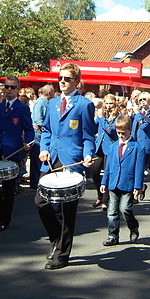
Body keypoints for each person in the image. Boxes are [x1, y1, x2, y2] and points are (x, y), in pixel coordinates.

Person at [35, 63, 96, 270]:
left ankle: (62, 254)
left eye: (67, 78)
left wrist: (88, 155)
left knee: (67, 210)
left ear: (76, 82)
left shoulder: (84, 104)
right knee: (40, 202)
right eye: (60, 78)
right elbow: (46, 131)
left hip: (72, 160)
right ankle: (55, 238)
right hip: (52, 160)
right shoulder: (52, 104)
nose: (62, 81)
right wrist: (44, 148)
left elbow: (88, 136)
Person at [0, 76, 34, 232]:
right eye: (7, 87)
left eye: (12, 87)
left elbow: (29, 129)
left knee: (8, 188)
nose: (9, 90)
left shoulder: (22, 108)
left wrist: (28, 143)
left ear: (18, 89)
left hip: (13, 150)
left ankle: (4, 219)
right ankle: (1, 211)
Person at [100, 115, 144, 246]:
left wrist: (138, 187)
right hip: (114, 183)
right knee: (112, 212)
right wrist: (104, 182)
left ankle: (133, 227)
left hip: (128, 183)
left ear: (130, 130)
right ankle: (112, 235)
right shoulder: (113, 147)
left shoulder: (137, 147)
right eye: (118, 133)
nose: (121, 135)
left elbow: (139, 169)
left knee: (125, 209)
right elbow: (108, 167)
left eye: (123, 133)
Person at [91, 93, 120, 210]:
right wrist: (96, 118)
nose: (108, 106)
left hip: (110, 148)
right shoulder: (101, 116)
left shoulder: (117, 117)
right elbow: (94, 128)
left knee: (107, 174)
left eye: (110, 103)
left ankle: (105, 200)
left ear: (115, 104)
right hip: (99, 147)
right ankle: (100, 194)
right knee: (94, 172)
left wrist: (102, 118)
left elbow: (111, 130)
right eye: (106, 103)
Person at [30, 84, 54, 189]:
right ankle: (35, 182)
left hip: (42, 132)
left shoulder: (47, 102)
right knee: (36, 159)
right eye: (52, 92)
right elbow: (38, 119)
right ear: (48, 93)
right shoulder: (40, 102)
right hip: (38, 133)